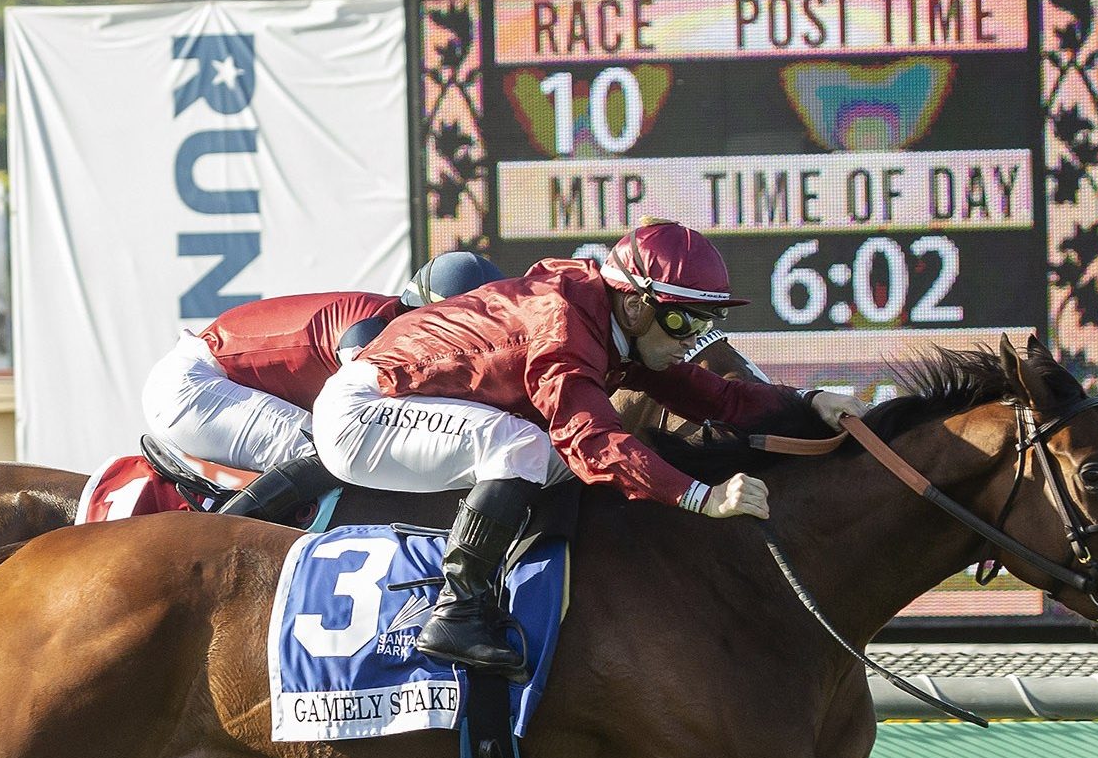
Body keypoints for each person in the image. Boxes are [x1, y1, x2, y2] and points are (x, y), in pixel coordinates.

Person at [310, 220, 868, 676]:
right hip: (363, 413)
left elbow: (711, 394)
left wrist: (809, 400)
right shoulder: (564, 323)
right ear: (634, 304)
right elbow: (590, 436)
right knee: (531, 446)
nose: (689, 341)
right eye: (680, 321)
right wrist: (701, 497)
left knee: (543, 454)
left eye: (704, 323)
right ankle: (458, 609)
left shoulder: (609, 318)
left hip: (403, 404)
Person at [142, 252, 508, 521]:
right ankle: (215, 540)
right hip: (192, 387)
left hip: (202, 380)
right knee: (337, 448)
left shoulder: (388, 320)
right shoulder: (369, 330)